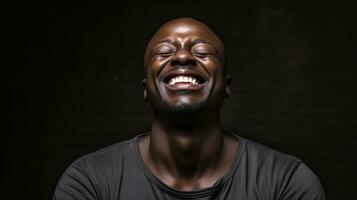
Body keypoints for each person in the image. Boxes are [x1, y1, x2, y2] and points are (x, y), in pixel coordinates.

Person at [53, 17, 326, 200]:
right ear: (146, 88)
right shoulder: (90, 183)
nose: (182, 56)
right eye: (164, 52)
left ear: (226, 86)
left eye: (202, 51)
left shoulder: (286, 183)